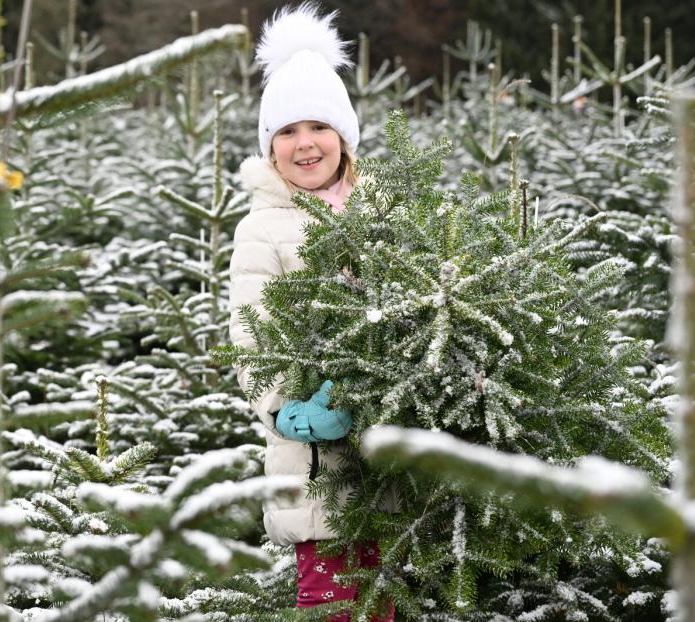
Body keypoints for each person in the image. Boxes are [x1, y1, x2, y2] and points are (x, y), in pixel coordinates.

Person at [228, 4, 394, 621]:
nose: (305, 144)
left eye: (319, 127)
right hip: (314, 462)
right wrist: (284, 409)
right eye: (288, 130)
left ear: (344, 137)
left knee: (384, 599)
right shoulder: (260, 228)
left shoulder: (383, 217)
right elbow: (250, 339)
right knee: (330, 601)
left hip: (388, 450)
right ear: (270, 147)